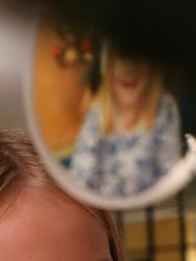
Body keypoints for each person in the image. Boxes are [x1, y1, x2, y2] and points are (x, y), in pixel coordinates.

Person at [69, 49, 183, 198]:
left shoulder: (164, 109)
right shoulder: (97, 113)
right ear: (109, 67)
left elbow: (170, 175)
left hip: (150, 213)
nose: (129, 69)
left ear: (152, 68)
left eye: (139, 58)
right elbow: (81, 176)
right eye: (122, 57)